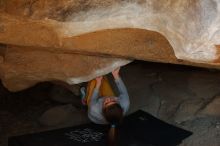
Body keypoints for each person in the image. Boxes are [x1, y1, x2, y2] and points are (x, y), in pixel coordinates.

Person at [81, 67, 130, 146]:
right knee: (102, 77)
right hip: (104, 112)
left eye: (106, 103)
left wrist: (98, 84)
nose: (109, 99)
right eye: (113, 101)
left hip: (92, 106)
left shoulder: (95, 109)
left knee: (94, 80)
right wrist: (116, 75)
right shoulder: (125, 103)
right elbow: (123, 91)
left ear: (102, 110)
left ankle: (84, 100)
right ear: (119, 105)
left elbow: (93, 99)